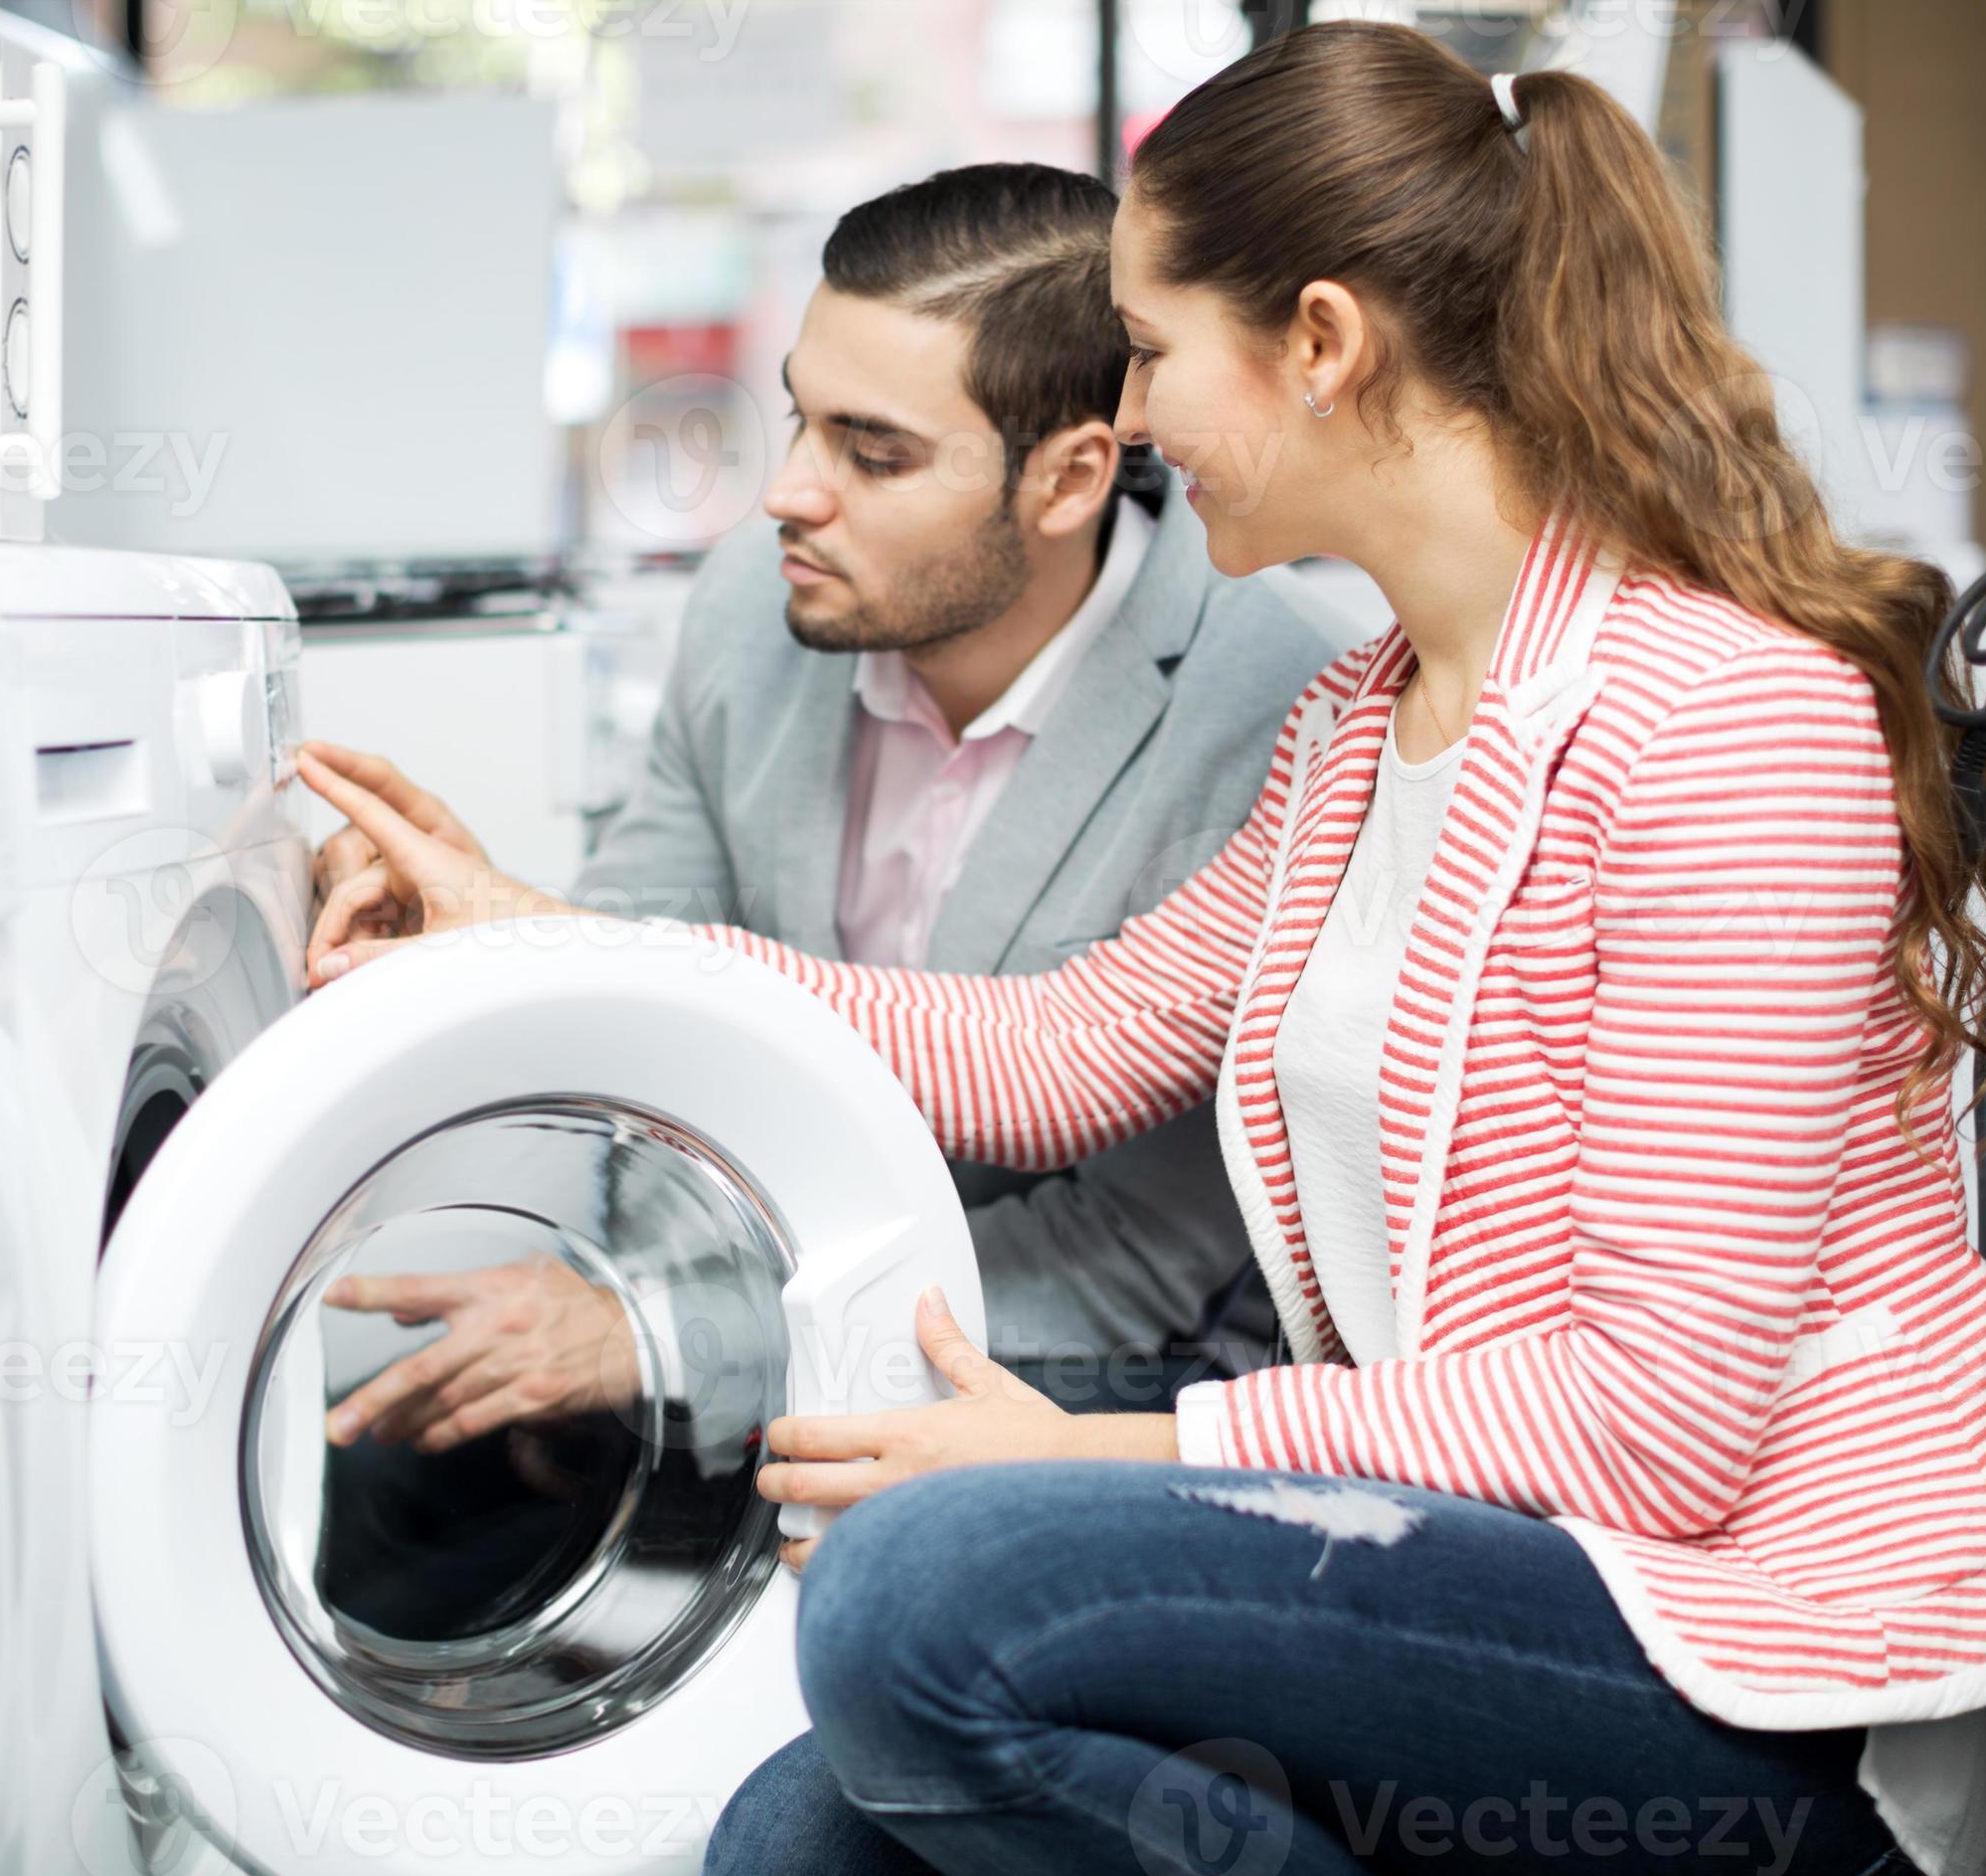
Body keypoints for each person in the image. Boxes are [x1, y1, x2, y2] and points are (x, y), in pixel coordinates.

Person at [301, 23, 1986, 1876]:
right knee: (803, 1846)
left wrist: (1107, 1453)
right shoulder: (1359, 723)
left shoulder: (1725, 723)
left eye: (1147, 348)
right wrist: (542, 940)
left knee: (917, 1592)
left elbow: (1657, 1418)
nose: (1124, 419)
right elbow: (1051, 1056)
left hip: (1755, 1669)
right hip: (1494, 1584)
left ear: (1318, 342)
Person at [303, 162, 1348, 1457]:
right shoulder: (759, 605)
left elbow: (1141, 1247)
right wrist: (474, 926)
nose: (788, 496)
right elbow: (647, 966)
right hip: (754, 1301)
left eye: (874, 454)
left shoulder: (1280, 697)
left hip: (1081, 1373)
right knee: (383, 1474)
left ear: (1072, 479)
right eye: (800, 422)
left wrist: (664, 1338)